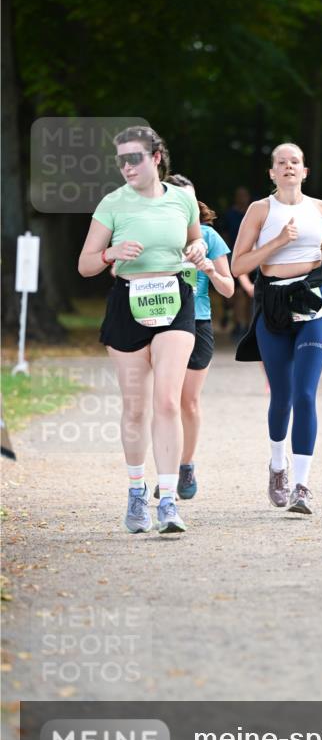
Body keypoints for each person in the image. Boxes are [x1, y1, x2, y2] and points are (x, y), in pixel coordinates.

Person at [78, 126, 207, 535]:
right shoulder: (112, 204)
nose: (127, 166)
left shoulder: (182, 200)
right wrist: (109, 252)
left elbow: (196, 242)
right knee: (135, 407)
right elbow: (85, 264)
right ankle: (137, 494)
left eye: (134, 157)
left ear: (156, 158)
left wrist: (198, 250)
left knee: (167, 402)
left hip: (174, 299)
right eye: (121, 160)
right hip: (128, 303)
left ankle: (167, 500)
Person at [231, 142, 322, 514]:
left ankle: (302, 486)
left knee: (305, 394)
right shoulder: (260, 210)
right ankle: (278, 465)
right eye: (282, 163)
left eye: (296, 161)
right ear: (272, 173)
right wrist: (277, 242)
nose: (289, 167)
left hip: (314, 299)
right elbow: (237, 265)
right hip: (274, 303)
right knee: (282, 396)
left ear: (305, 171)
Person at [152, 173, 234, 501]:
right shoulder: (156, 234)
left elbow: (228, 289)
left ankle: (186, 465)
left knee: (187, 401)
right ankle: (167, 471)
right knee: (163, 401)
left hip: (198, 323)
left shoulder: (210, 237)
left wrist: (209, 270)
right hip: (161, 320)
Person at [223, 186, 254, 339]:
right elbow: (225, 235)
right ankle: (238, 324)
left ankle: (249, 324)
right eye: (239, 195)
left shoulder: (254, 213)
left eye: (244, 195)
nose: (242, 198)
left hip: (254, 257)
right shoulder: (230, 215)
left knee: (251, 294)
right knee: (237, 293)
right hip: (236, 257)